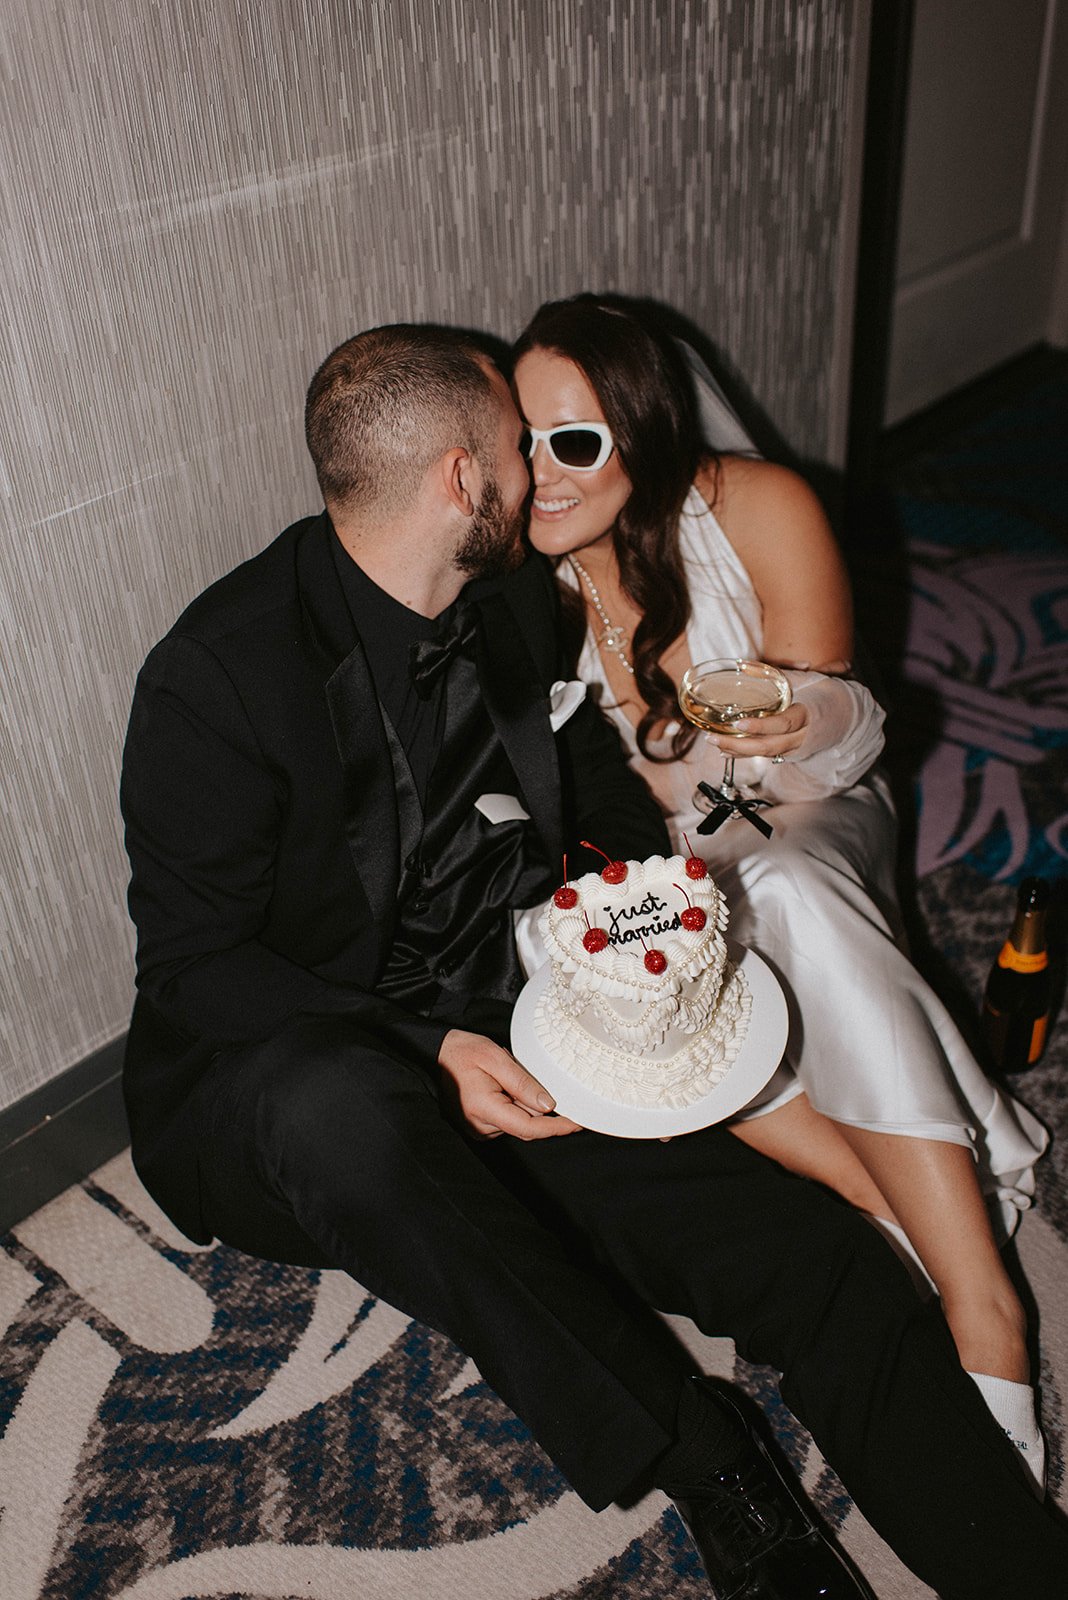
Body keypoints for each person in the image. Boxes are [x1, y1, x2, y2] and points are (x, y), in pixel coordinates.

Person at [120, 322, 1067, 1599]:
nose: (540, 479)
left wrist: (632, 910)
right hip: (299, 1067)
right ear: (466, 478)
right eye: (521, 448)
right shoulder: (215, 678)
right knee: (346, 1111)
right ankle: (705, 1456)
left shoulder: (511, 596)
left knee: (801, 1248)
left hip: (518, 1005)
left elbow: (595, 790)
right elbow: (194, 969)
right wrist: (422, 1045)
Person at [512, 291, 1051, 1493]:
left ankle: (984, 1310)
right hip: (642, 854)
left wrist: (779, 710)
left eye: (579, 442)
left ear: (644, 433)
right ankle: (907, 1215)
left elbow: (846, 728)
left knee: (792, 889)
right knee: (625, 974)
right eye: (527, 442)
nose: (544, 475)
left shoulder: (759, 505)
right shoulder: (520, 571)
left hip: (802, 798)